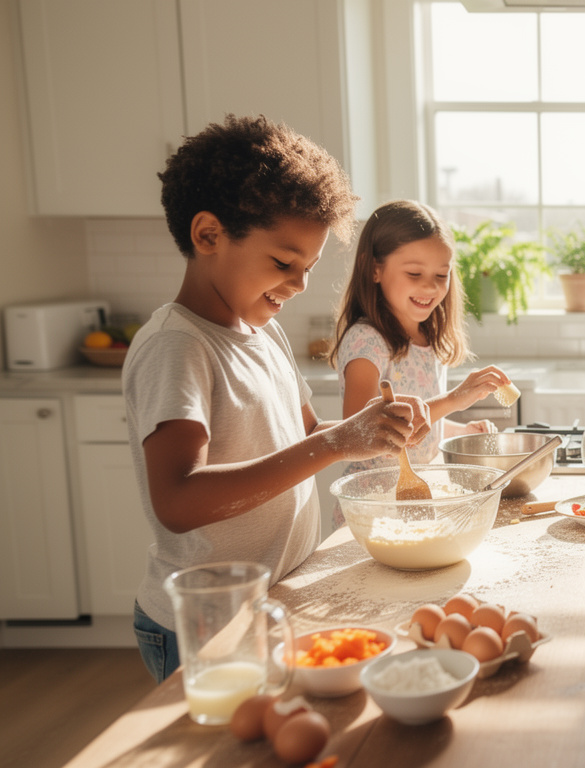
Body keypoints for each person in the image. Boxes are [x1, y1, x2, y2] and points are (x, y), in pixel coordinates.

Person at [124, 115, 428, 683]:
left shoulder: (264, 333)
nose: (300, 283)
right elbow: (178, 501)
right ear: (208, 236)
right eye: (284, 263)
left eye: (308, 268)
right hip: (205, 623)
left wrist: (369, 431)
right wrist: (339, 443)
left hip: (274, 598)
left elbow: (307, 433)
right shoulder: (177, 346)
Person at [328, 201, 514, 526]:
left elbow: (417, 429)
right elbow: (359, 431)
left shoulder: (428, 340)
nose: (430, 286)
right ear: (374, 269)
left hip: (417, 499)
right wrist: (454, 399)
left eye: (441, 275)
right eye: (414, 273)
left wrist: (458, 430)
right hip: (373, 506)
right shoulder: (366, 341)